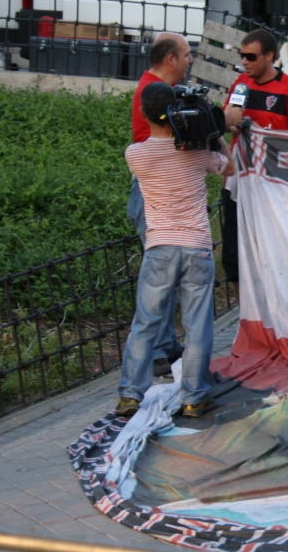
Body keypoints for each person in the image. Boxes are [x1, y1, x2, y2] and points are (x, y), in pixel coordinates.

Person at [116, 82, 236, 419]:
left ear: (143, 113)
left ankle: (130, 395)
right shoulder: (197, 153)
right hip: (197, 248)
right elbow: (231, 168)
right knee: (197, 325)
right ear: (174, 111)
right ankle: (194, 397)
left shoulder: (135, 155)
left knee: (145, 322)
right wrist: (214, 133)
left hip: (159, 249)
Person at [221, 28, 288, 291]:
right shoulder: (240, 84)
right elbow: (227, 119)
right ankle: (247, 322)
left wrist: (267, 135)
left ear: (269, 56)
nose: (245, 62)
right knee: (235, 260)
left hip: (275, 186)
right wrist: (233, 125)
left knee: (273, 257)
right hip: (239, 182)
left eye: (251, 57)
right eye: (242, 56)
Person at [127, 32, 195, 376]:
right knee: (159, 277)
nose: (190, 60)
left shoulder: (156, 89)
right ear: (170, 59)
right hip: (153, 194)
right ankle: (155, 351)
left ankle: (166, 346)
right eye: (186, 55)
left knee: (164, 273)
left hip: (156, 194)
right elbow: (154, 149)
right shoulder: (150, 93)